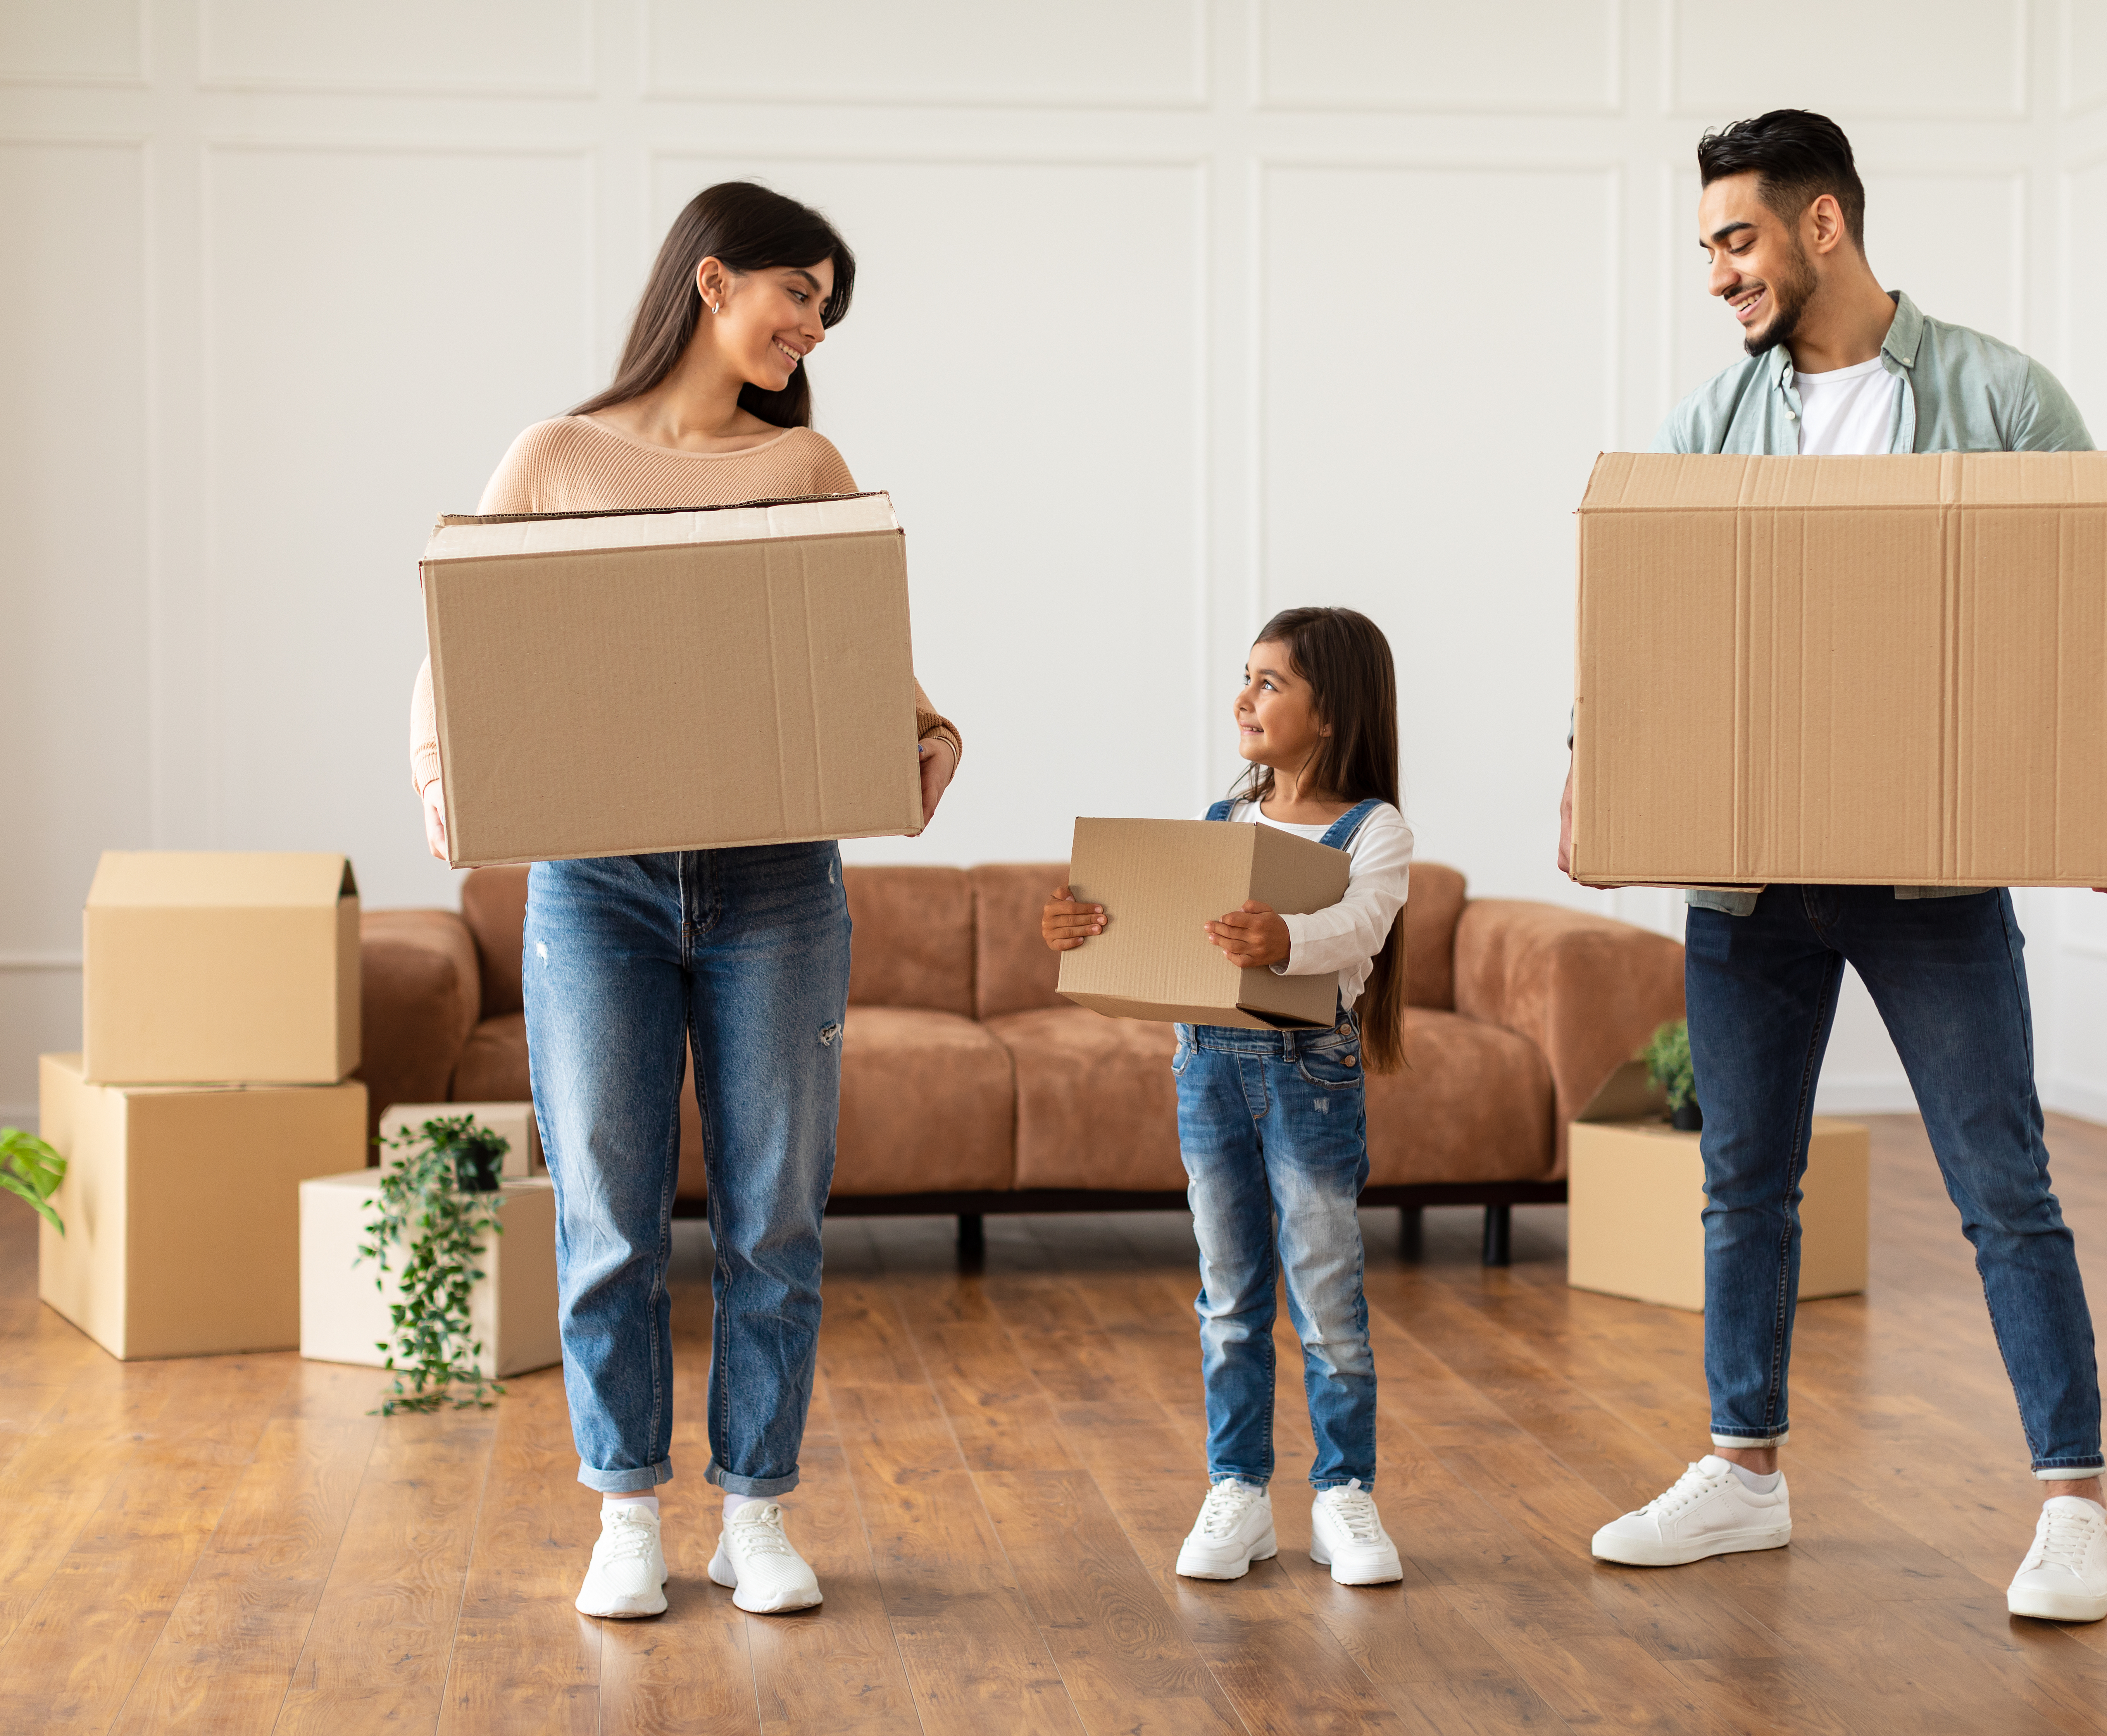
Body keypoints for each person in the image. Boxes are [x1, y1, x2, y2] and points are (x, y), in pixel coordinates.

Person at [1566, 112, 2107, 1625]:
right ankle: (1744, 1468)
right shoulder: (1716, 418)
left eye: (1737, 239)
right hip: (1751, 881)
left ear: (1823, 223)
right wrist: (1590, 781)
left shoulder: (1991, 393)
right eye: (1709, 247)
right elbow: (1643, 622)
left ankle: (2071, 1499)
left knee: (2003, 1185)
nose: (1718, 273)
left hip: (1933, 881)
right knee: (1744, 1184)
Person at [407, 182, 964, 1621]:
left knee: (775, 1211)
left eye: (828, 309)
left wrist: (931, 738)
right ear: (714, 282)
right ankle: (627, 1515)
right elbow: (457, 656)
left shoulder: (806, 467)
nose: (812, 326)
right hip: (595, 885)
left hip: (778, 882)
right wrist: (441, 790)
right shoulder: (555, 459)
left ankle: (759, 1512)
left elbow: (869, 671)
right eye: (800, 291)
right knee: (609, 1212)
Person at [1042, 607, 1413, 1587]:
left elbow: (1360, 925)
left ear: (1329, 712)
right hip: (1207, 1070)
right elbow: (1161, 940)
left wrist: (1283, 940)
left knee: (1328, 1292)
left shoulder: (1375, 831)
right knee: (1229, 1294)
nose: (1243, 698)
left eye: (1269, 682)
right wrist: (1084, 928)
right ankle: (1239, 1490)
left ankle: (1344, 1494)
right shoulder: (1221, 823)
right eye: (1244, 677)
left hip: (1311, 1079)